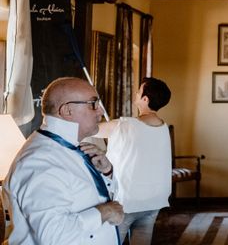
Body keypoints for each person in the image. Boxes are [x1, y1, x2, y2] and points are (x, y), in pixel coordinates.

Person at [2, 77, 123, 244]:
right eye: (93, 103)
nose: (101, 111)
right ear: (67, 110)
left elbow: (91, 196)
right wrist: (104, 212)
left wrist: (107, 173)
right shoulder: (39, 161)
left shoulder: (71, 149)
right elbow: (55, 236)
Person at [95, 77, 172, 245]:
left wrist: (95, 112)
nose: (136, 94)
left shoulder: (124, 125)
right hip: (154, 200)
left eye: (139, 91)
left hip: (126, 202)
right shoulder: (163, 127)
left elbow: (93, 130)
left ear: (145, 99)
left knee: (112, 242)